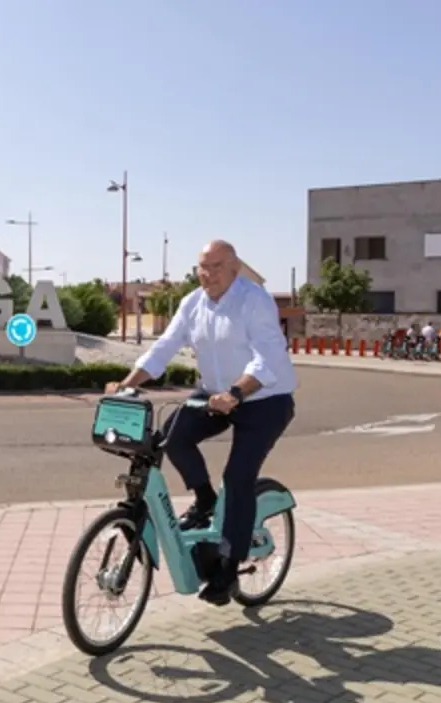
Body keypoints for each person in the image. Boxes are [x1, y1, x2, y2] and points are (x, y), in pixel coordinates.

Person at [105, 239, 297, 606]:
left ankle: (228, 567)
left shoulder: (254, 300)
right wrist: (127, 385)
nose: (207, 275)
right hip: (214, 396)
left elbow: (269, 356)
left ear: (235, 268)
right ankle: (206, 500)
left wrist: (237, 392)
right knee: (172, 437)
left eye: (216, 267)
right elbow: (164, 347)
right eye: (202, 268)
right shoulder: (192, 303)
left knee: (238, 477)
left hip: (264, 399)